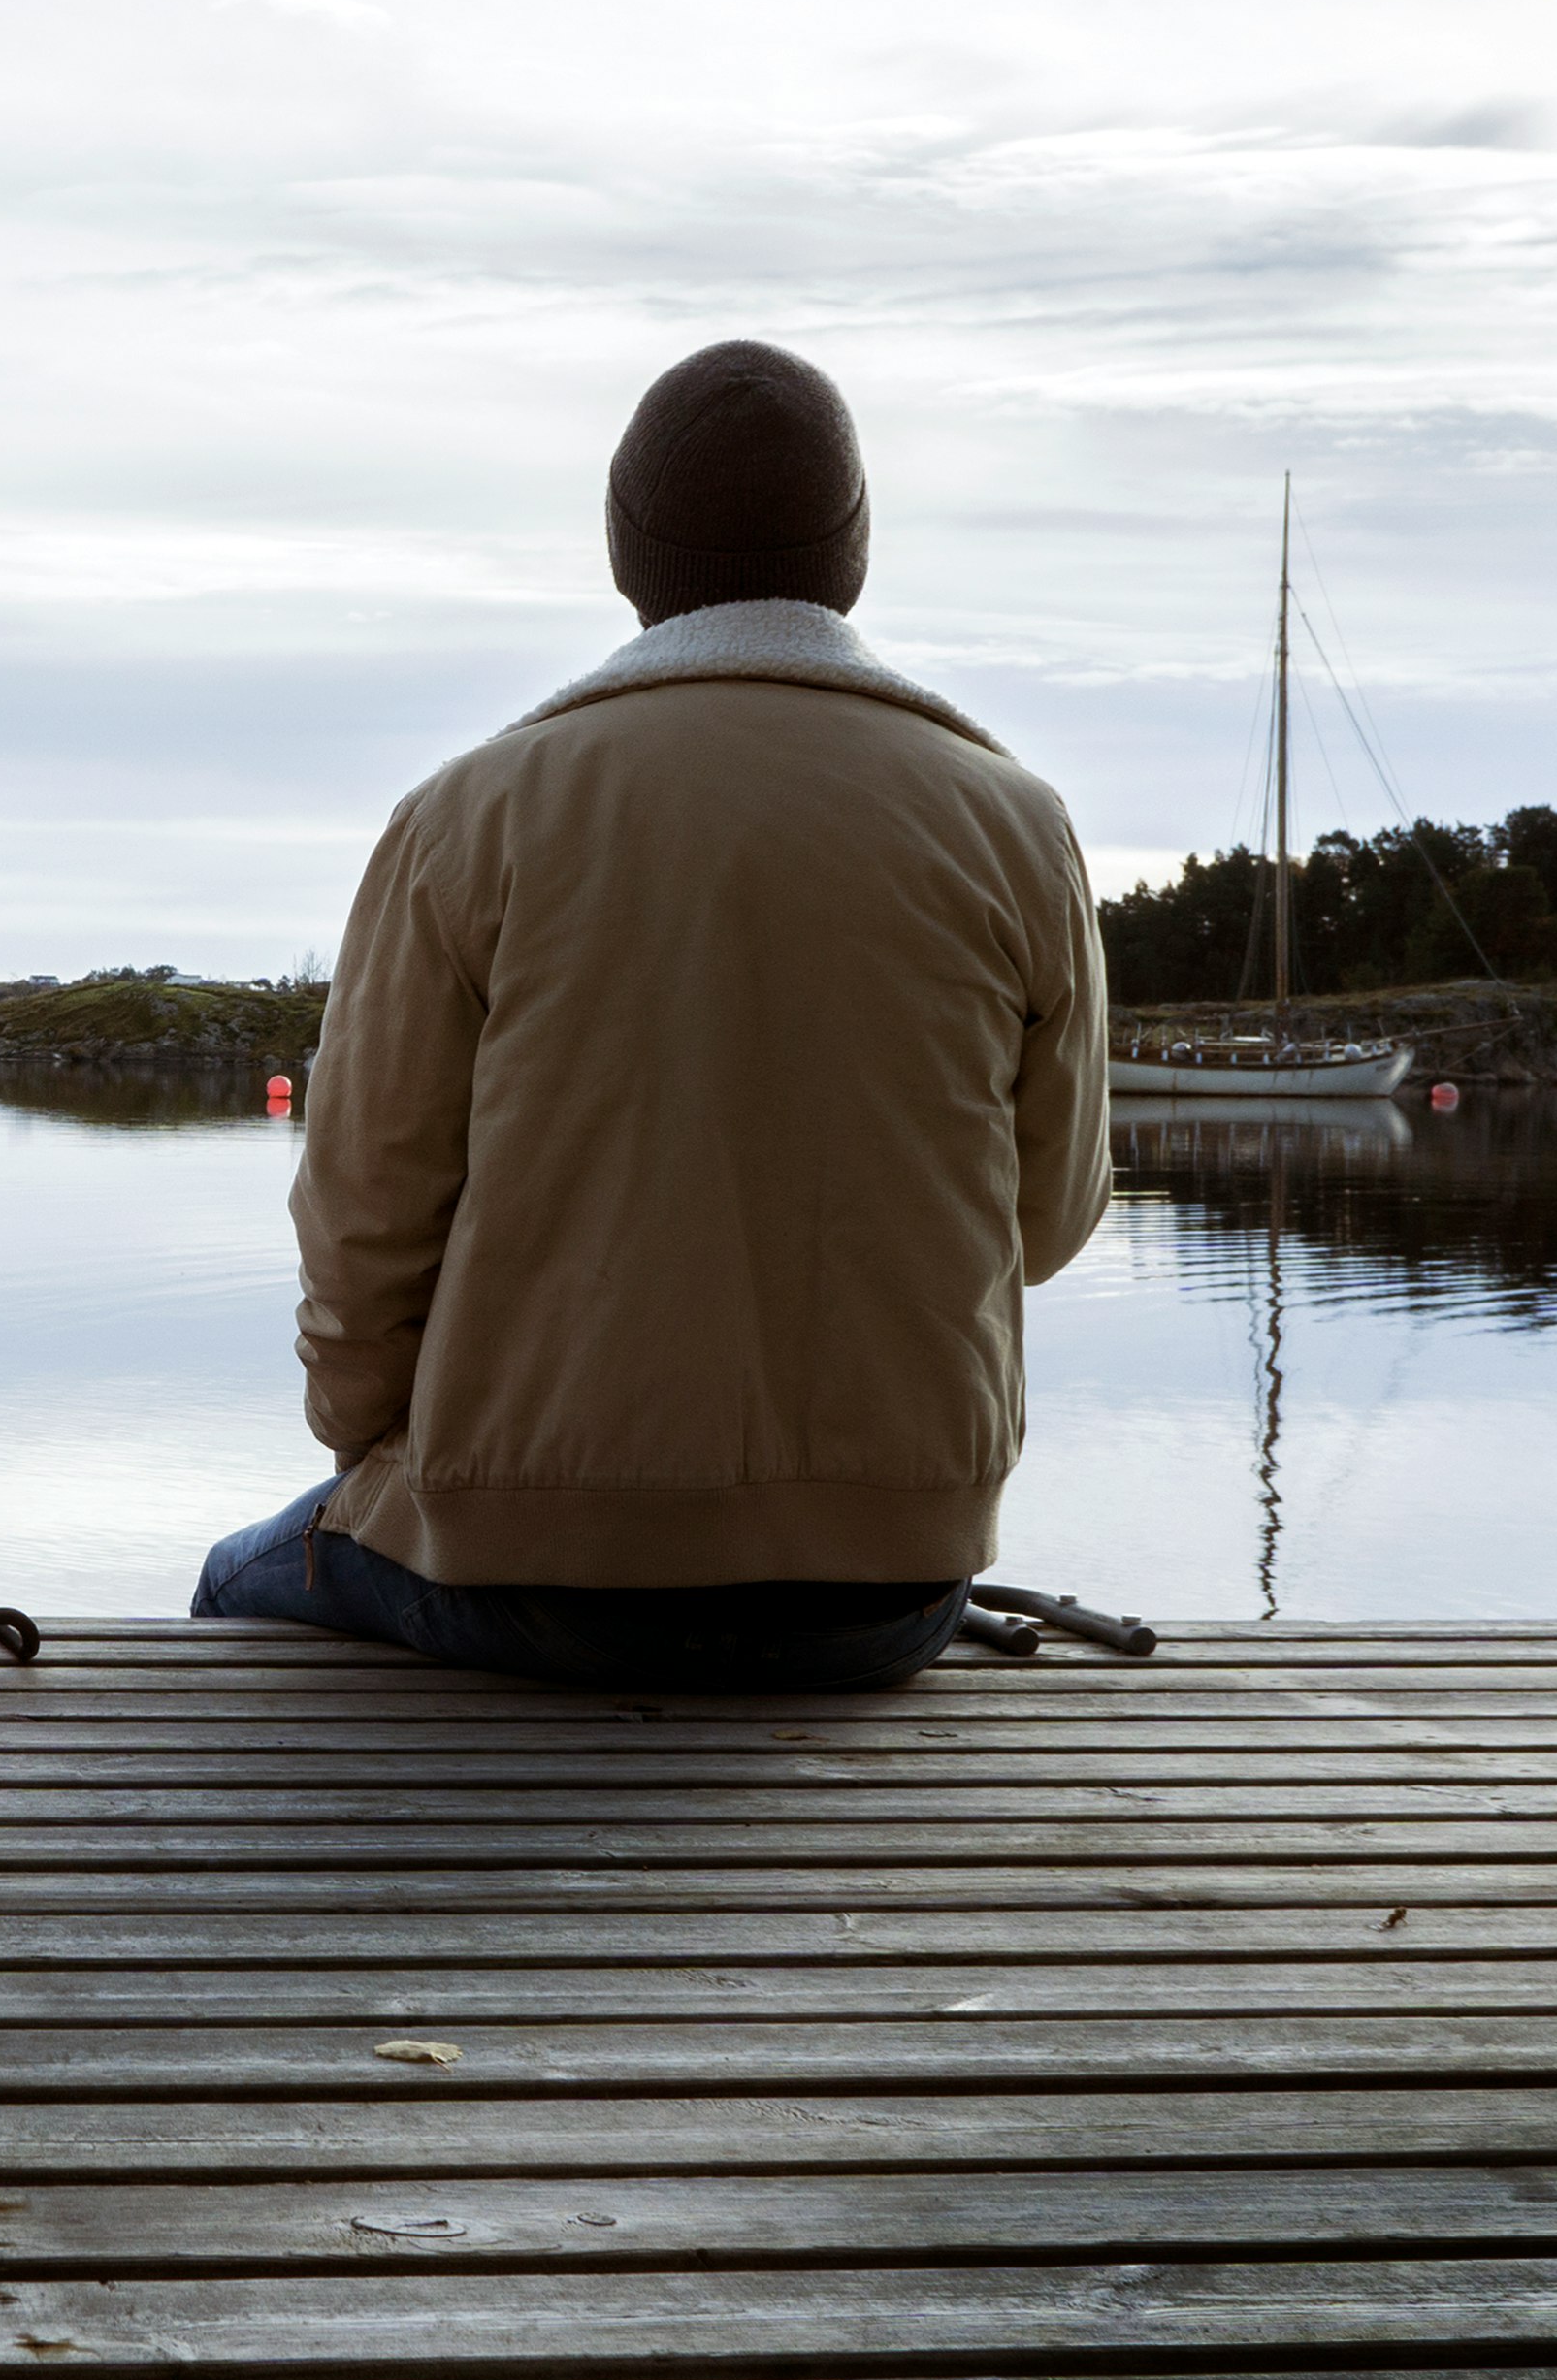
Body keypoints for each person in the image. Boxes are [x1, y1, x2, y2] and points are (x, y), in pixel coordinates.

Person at [195, 340, 1110, 1689]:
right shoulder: (1019, 825)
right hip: (893, 1591)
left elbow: (361, 1213)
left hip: (530, 1579)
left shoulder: (471, 817)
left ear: (629, 555)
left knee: (238, 1581)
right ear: (850, 555)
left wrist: (371, 1443)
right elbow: (1048, 1223)